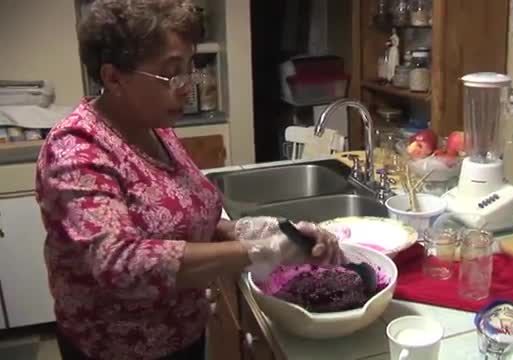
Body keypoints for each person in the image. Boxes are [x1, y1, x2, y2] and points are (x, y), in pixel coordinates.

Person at [35, 1, 340, 359]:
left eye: (188, 70)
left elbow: (196, 220)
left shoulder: (155, 129)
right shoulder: (76, 150)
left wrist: (278, 231)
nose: (185, 87)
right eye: (170, 73)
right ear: (112, 76)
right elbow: (120, 263)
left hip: (183, 336)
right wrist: (260, 251)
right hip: (117, 350)